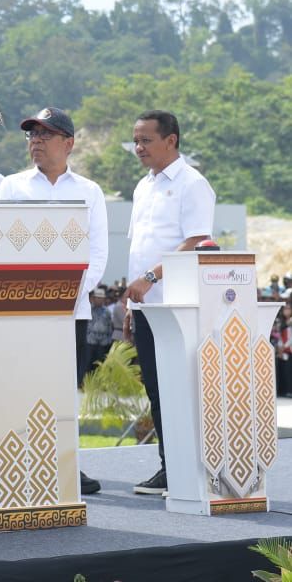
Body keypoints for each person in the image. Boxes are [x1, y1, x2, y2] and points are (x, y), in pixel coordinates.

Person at [0, 106, 107, 496]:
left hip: (71, 311)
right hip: (24, 311)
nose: (36, 142)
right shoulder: (11, 187)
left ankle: (66, 466)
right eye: (31, 135)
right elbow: (0, 244)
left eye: (45, 135)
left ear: (69, 143)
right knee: (22, 386)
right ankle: (21, 462)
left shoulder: (89, 191)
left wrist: (68, 293)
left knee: (63, 390)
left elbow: (98, 252)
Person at [122, 110, 215, 496]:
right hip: (146, 308)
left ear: (171, 140)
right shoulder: (143, 186)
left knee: (182, 389)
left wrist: (151, 278)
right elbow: (137, 249)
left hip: (178, 308)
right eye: (136, 141)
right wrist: (131, 306)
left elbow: (197, 242)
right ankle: (170, 467)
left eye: (146, 140)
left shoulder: (193, 184)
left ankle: (193, 468)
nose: (138, 148)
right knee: (157, 391)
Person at [84, 286, 114, 378]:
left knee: (100, 363)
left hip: (103, 342)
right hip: (90, 341)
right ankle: (85, 381)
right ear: (93, 298)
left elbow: (109, 326)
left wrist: (109, 340)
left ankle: (98, 381)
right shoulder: (88, 310)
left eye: (101, 298)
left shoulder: (107, 312)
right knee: (87, 362)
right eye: (98, 298)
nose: (99, 300)